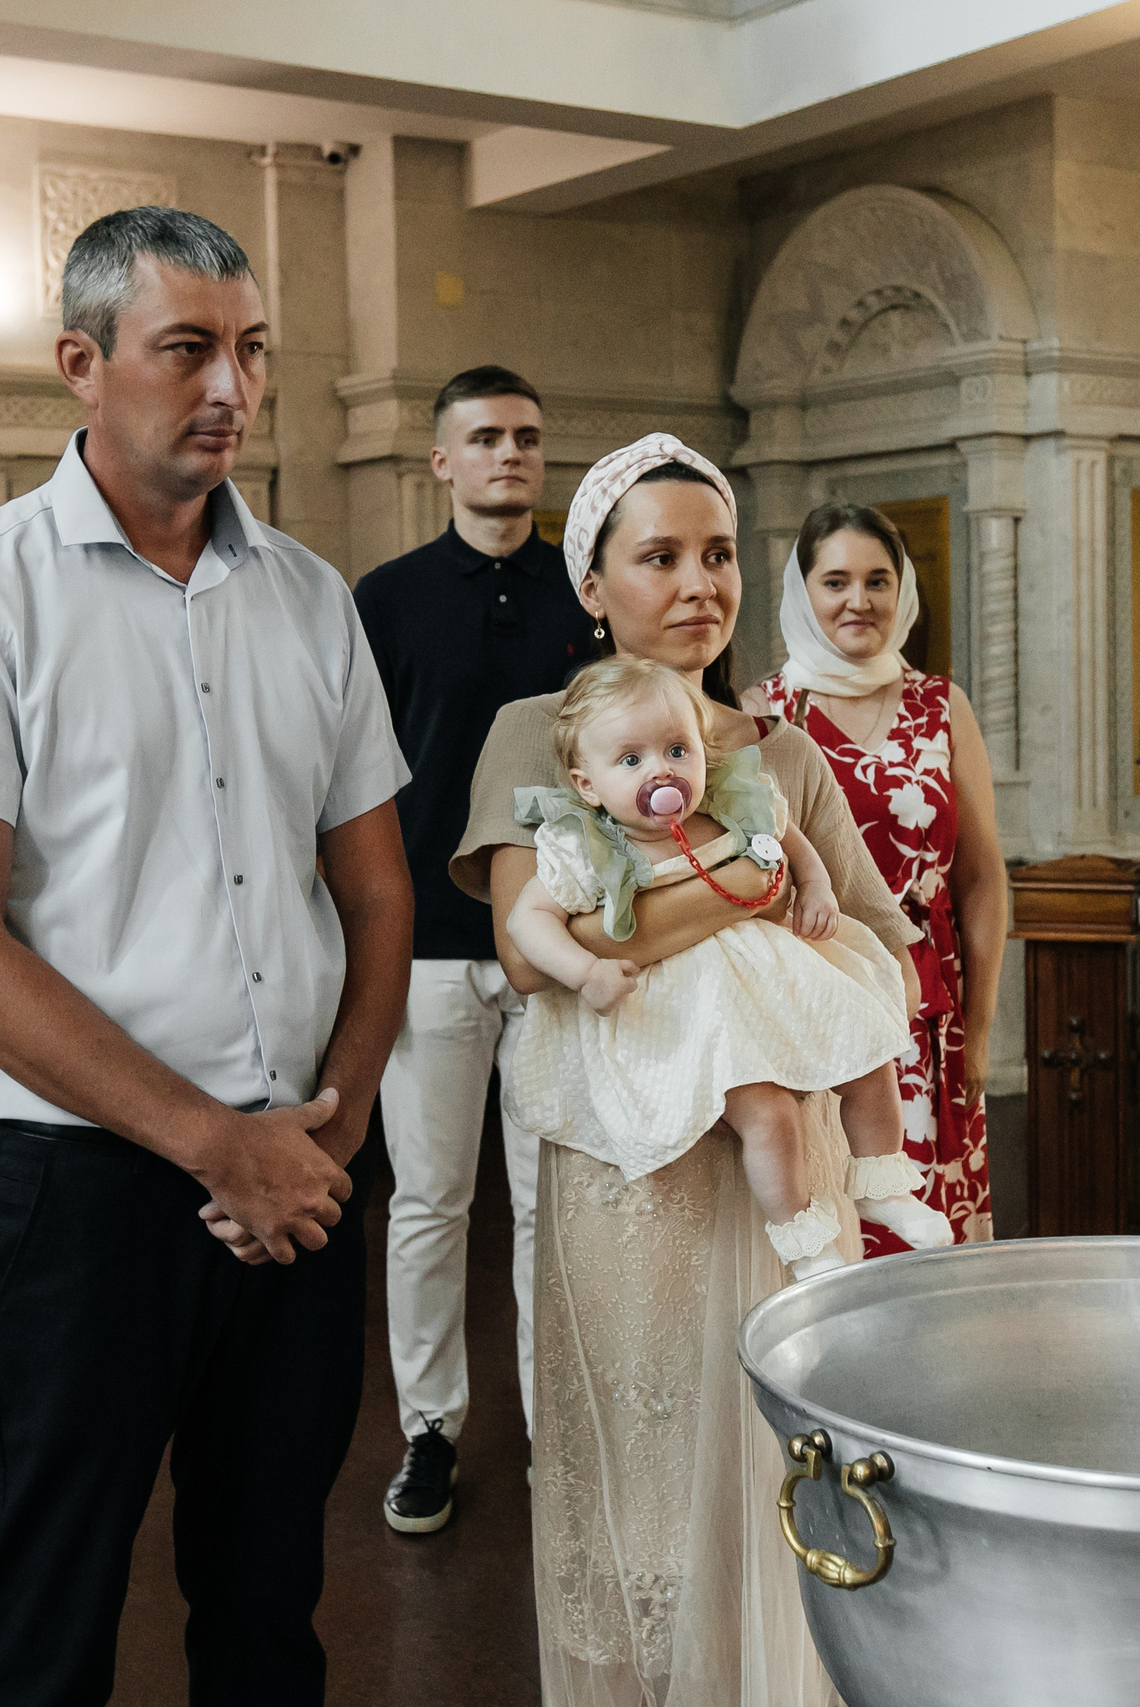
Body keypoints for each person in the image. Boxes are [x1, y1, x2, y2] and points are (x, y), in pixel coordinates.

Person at [0, 206, 412, 1707]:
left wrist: (336, 1120)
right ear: (80, 364)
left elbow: (376, 893)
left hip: (299, 1178)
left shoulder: (308, 597)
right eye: (187, 349)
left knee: (268, 1615)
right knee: (40, 1632)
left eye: (252, 350)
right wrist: (216, 1144)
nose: (231, 386)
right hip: (81, 1194)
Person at [453, 434, 919, 1707]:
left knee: (776, 1449)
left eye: (717, 554)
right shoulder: (536, 737)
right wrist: (750, 885)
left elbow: (875, 937)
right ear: (592, 585)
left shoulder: (781, 751)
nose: (698, 583)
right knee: (644, 1467)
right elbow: (537, 951)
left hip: (779, 1156)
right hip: (630, 1167)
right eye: (658, 557)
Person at [350, 363, 593, 1533]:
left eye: (526, 437)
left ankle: (557, 1434)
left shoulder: (586, 597)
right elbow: (350, 778)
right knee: (429, 1202)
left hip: (560, 941)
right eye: (486, 437)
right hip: (430, 946)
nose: (509, 454)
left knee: (552, 1205)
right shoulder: (387, 599)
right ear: (441, 460)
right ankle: (429, 1432)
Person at [501, 656, 950, 1278]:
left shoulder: (729, 804)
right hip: (693, 1016)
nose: (660, 770)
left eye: (676, 750)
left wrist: (817, 887)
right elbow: (526, 922)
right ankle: (804, 1242)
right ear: (588, 785)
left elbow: (791, 840)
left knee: (866, 1056)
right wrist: (584, 971)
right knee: (769, 1115)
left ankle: (882, 1184)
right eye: (630, 760)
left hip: (770, 984)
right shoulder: (587, 846)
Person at [748, 502, 1007, 1249]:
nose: (858, 600)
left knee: (927, 1229)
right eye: (835, 581)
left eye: (877, 580)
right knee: (832, 1212)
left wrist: (979, 1030)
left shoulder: (940, 704)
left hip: (930, 1006)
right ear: (802, 592)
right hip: (819, 995)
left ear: (903, 590)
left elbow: (982, 878)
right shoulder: (765, 711)